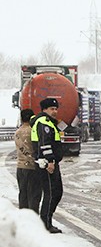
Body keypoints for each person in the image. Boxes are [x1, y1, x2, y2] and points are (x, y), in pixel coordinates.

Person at [31, 97, 65, 233]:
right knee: (51, 194)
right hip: (46, 164)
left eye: (56, 109)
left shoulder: (49, 122)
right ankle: (45, 223)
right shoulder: (43, 123)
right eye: (52, 109)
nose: (55, 111)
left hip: (50, 163)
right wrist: (50, 161)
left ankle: (46, 220)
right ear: (44, 110)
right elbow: (45, 144)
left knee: (56, 192)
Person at [14, 108, 39, 211]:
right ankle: (33, 219)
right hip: (32, 167)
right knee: (34, 195)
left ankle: (23, 217)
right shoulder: (33, 131)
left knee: (23, 194)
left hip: (20, 167)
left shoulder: (17, 132)